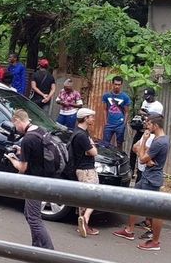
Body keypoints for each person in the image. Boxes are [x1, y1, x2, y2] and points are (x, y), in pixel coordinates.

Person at [113, 113, 169, 251]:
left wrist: (143, 142)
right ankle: (129, 230)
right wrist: (145, 155)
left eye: (149, 124)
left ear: (155, 125)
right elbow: (140, 153)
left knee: (156, 211)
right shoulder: (159, 139)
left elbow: (143, 157)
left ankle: (155, 242)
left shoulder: (159, 141)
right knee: (134, 201)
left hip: (152, 179)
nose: (147, 127)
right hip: (146, 176)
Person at [5, 109, 54, 250]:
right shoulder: (40, 130)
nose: (16, 129)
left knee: (34, 218)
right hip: (43, 177)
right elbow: (38, 153)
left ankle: (49, 252)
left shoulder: (27, 139)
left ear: (18, 121)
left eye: (15, 125)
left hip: (34, 182)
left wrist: (12, 158)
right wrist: (22, 152)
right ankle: (37, 247)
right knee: (29, 215)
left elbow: (22, 168)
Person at [71, 108, 99, 238]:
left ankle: (82, 224)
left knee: (84, 197)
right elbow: (94, 152)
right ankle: (86, 220)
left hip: (81, 169)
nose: (93, 119)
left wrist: (90, 146)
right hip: (86, 169)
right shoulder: (82, 135)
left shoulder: (79, 132)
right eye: (91, 117)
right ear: (85, 118)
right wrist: (91, 146)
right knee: (94, 196)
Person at [129, 88, 163, 175]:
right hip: (141, 129)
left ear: (153, 96)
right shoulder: (144, 102)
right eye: (145, 97)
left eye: (148, 97)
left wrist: (145, 114)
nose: (147, 99)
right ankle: (131, 169)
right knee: (134, 148)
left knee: (146, 150)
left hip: (150, 132)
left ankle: (143, 171)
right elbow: (141, 111)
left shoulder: (158, 106)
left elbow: (155, 118)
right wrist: (145, 114)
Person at [102, 76, 131, 150]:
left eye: (119, 84)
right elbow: (105, 109)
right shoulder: (106, 95)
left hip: (120, 125)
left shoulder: (125, 97)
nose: (117, 86)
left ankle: (119, 160)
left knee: (119, 145)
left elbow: (127, 112)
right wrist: (105, 122)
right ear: (112, 84)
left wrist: (123, 124)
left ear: (121, 85)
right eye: (115, 84)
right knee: (105, 144)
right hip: (109, 124)